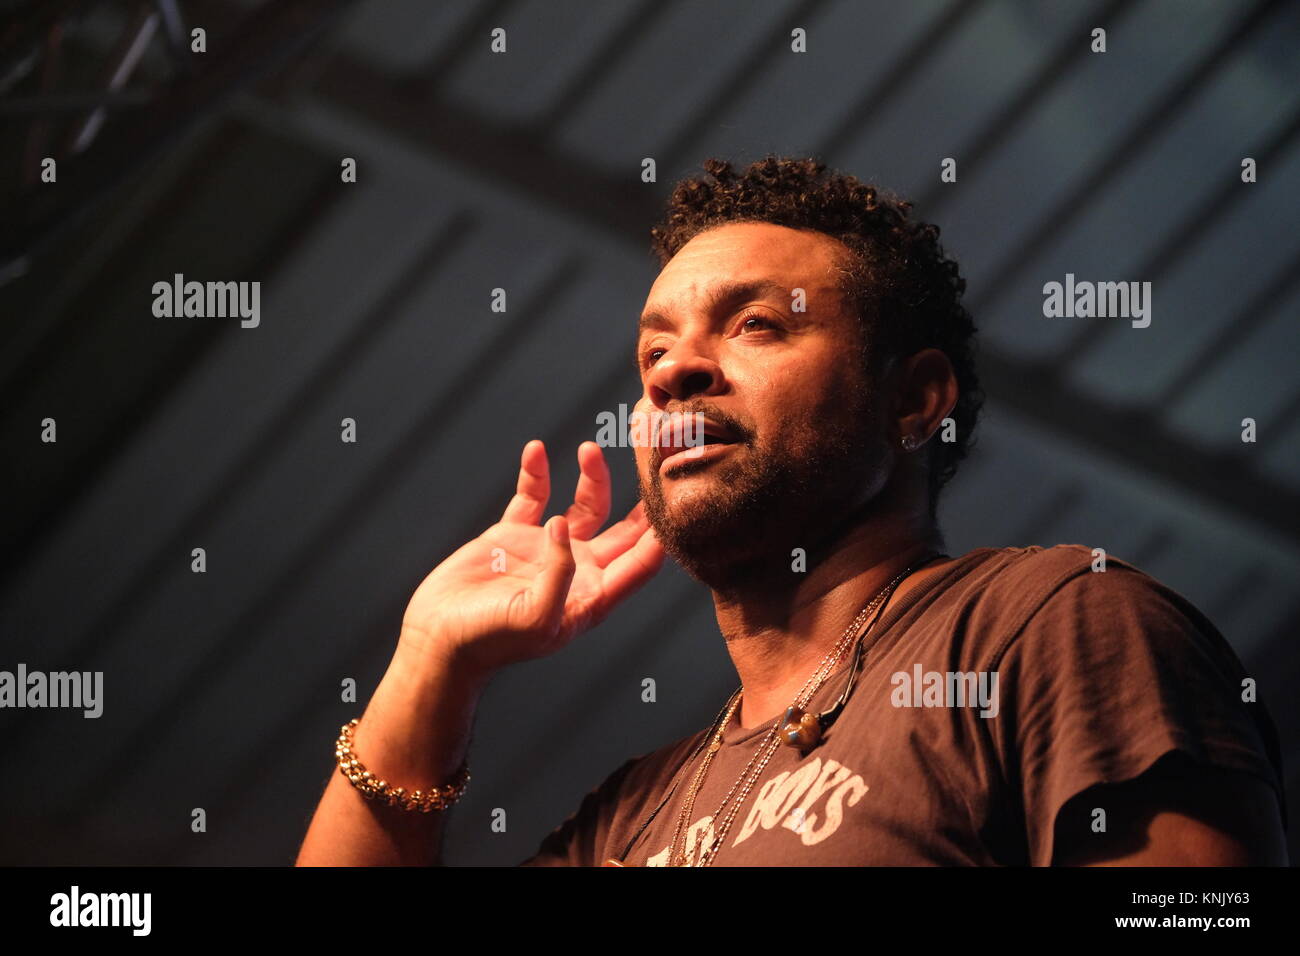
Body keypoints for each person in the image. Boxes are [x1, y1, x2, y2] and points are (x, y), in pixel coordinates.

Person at [296, 156, 1287, 867]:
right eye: (652, 355)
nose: (677, 367)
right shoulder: (626, 820)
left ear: (913, 401)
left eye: (757, 324)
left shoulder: (1053, 623)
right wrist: (432, 662)